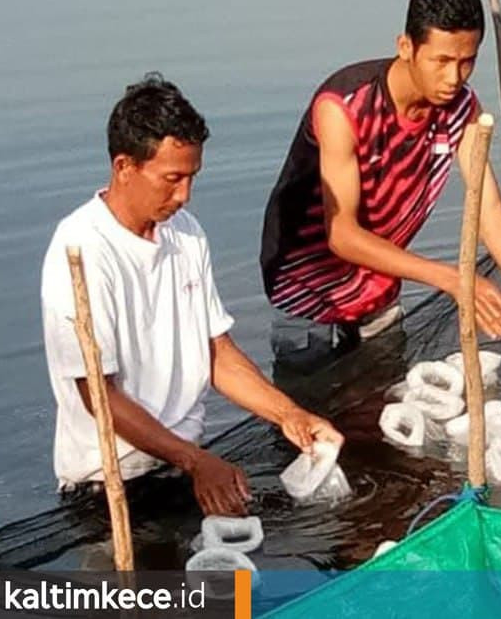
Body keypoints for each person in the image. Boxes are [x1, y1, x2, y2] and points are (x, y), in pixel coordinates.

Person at [41, 74, 343, 516]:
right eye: (171, 179)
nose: (184, 195)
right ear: (124, 167)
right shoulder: (82, 249)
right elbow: (99, 396)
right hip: (111, 486)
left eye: (192, 177)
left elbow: (214, 350)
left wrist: (288, 415)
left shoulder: (186, 233)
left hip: (181, 464)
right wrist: (195, 460)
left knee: (235, 583)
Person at [259, 0, 501, 361]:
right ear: (406, 47)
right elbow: (342, 234)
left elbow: (491, 216)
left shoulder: (462, 110)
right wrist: (452, 279)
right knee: (308, 412)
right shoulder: (344, 106)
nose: (453, 78)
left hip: (377, 293)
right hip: (308, 293)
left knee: (382, 406)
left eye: (466, 61)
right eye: (440, 61)